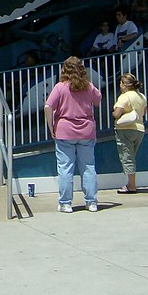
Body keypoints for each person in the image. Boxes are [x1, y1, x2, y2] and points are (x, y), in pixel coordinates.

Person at [44, 56, 102, 213]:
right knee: (88, 167)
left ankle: (65, 203)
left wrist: (51, 127)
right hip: (86, 131)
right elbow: (98, 100)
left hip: (64, 130)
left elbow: (48, 106)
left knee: (65, 168)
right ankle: (91, 202)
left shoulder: (60, 87)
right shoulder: (89, 87)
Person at [112, 73, 148, 194]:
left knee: (127, 157)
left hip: (125, 129)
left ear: (125, 85)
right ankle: (130, 183)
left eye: (121, 83)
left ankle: (131, 185)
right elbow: (144, 111)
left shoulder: (124, 97)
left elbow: (116, 114)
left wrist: (114, 114)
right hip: (139, 129)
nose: (120, 86)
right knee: (131, 156)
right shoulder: (142, 96)